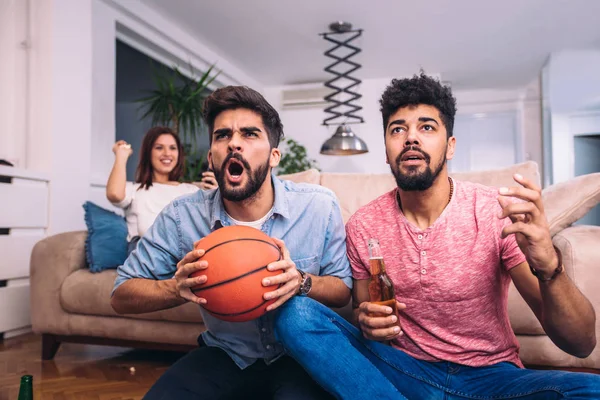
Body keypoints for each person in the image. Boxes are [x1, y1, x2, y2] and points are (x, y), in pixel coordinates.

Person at [274, 73, 600, 399]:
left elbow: (580, 344)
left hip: (490, 380)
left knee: (590, 390)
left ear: (451, 145)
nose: (411, 138)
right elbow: (366, 314)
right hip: (404, 372)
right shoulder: (363, 225)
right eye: (397, 129)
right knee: (295, 315)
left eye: (427, 127)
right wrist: (367, 322)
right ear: (387, 152)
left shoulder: (493, 212)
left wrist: (550, 266)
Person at [110, 86, 352, 399]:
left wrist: (300, 282)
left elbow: (342, 290)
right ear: (211, 157)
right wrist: (173, 288)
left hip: (299, 359)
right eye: (223, 135)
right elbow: (120, 295)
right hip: (225, 354)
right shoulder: (183, 216)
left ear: (274, 155)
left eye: (250, 134)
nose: (234, 143)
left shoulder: (318, 206)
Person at [106, 127, 199, 253]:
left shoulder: (191, 190)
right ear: (148, 153)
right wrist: (121, 155)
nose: (167, 153)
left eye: (172, 148)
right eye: (159, 147)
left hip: (183, 251)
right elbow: (114, 194)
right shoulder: (135, 189)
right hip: (145, 253)